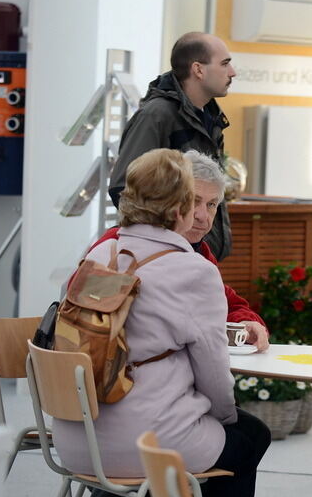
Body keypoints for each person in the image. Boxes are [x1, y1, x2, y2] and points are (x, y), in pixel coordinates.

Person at [56, 149, 270, 497]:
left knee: (221, 440)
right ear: (177, 207)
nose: (203, 214)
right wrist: (221, 416)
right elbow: (214, 376)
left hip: (75, 437)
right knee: (245, 438)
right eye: (197, 202)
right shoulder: (190, 269)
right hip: (144, 443)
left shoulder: (99, 253)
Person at [96, 150, 268, 350]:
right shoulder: (117, 245)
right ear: (169, 200)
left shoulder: (199, 252)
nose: (203, 216)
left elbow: (229, 303)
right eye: (194, 201)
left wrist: (244, 323)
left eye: (212, 204)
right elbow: (88, 313)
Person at [109, 32, 236, 260]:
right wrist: (165, 244)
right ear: (198, 70)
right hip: (165, 258)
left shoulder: (211, 118)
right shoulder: (157, 116)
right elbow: (124, 189)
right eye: (225, 64)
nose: (232, 72)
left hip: (194, 255)